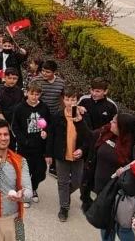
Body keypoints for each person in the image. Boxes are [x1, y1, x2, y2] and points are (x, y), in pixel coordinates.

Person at [82, 113, 135, 239]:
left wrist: (128, 172)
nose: (111, 122)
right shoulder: (106, 134)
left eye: (115, 122)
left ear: (123, 127)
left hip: (122, 196)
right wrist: (79, 121)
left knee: (123, 228)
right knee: (105, 225)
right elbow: (88, 137)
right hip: (103, 191)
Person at [44, 87, 92, 222]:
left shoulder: (84, 116)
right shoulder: (57, 116)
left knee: (77, 182)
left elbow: (89, 137)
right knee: (62, 182)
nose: (70, 102)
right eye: (67, 99)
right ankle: (64, 207)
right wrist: (48, 154)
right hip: (61, 155)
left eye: (73, 99)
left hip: (77, 156)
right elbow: (51, 136)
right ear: (63, 100)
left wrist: (82, 149)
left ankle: (65, 195)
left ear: (77, 100)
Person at [11, 81, 50, 207]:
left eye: (37, 94)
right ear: (26, 93)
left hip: (40, 147)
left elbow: (47, 123)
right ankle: (26, 194)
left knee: (40, 171)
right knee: (25, 172)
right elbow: (15, 127)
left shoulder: (44, 108)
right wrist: (24, 140)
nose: (34, 97)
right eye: (32, 94)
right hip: (25, 147)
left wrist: (45, 131)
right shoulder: (20, 108)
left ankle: (33, 188)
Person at [0, 67, 24, 151]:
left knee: (13, 147)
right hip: (1, 123)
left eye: (15, 78)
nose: (12, 81)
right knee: (0, 146)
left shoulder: (19, 91)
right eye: (10, 78)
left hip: (14, 124)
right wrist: (5, 122)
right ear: (5, 77)